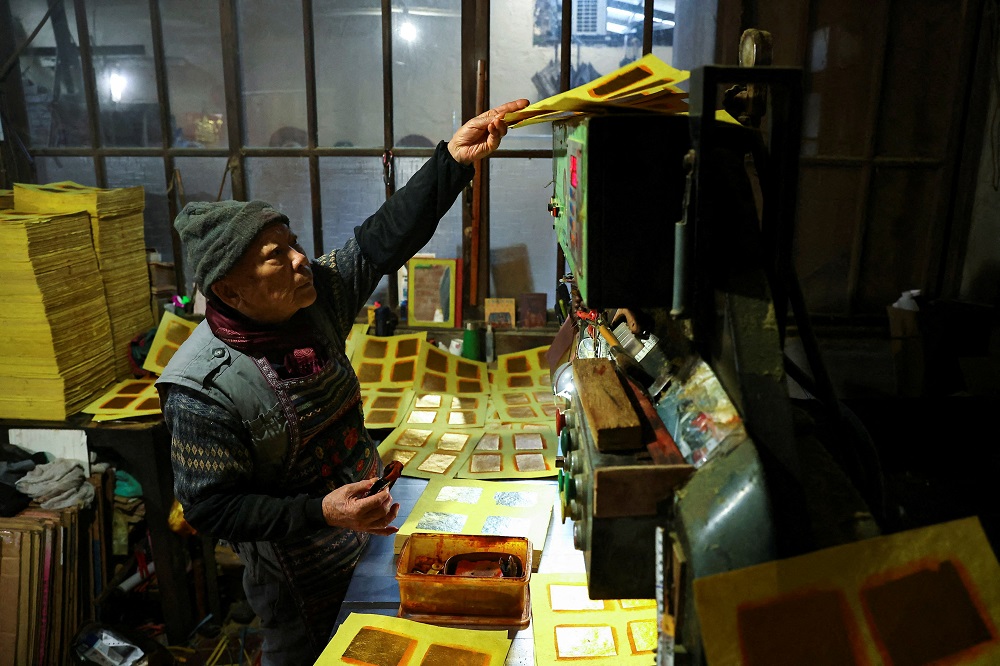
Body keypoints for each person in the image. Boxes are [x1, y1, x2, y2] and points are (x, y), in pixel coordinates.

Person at [156, 98, 530, 665]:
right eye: (276, 256)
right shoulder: (201, 386)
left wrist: (452, 162)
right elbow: (211, 509)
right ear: (230, 291)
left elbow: (380, 241)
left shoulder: (315, 300)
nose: (300, 260)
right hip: (298, 577)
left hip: (372, 538)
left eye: (294, 243)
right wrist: (321, 512)